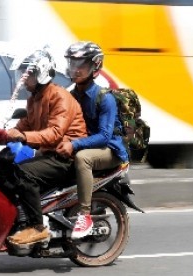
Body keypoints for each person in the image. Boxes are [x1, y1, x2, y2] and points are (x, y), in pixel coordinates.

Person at [6, 48, 87, 245]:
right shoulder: (34, 99)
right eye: (23, 74)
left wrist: (23, 136)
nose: (24, 79)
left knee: (23, 173)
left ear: (42, 73)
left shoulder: (59, 96)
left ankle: (36, 227)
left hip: (65, 157)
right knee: (3, 164)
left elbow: (55, 134)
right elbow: (23, 126)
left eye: (29, 74)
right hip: (49, 154)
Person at [57, 41, 129, 239]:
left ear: (95, 66)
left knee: (83, 158)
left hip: (110, 151)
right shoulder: (71, 95)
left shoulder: (104, 98)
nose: (76, 69)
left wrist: (74, 144)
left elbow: (104, 137)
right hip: (87, 145)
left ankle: (84, 215)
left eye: (82, 65)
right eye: (73, 64)